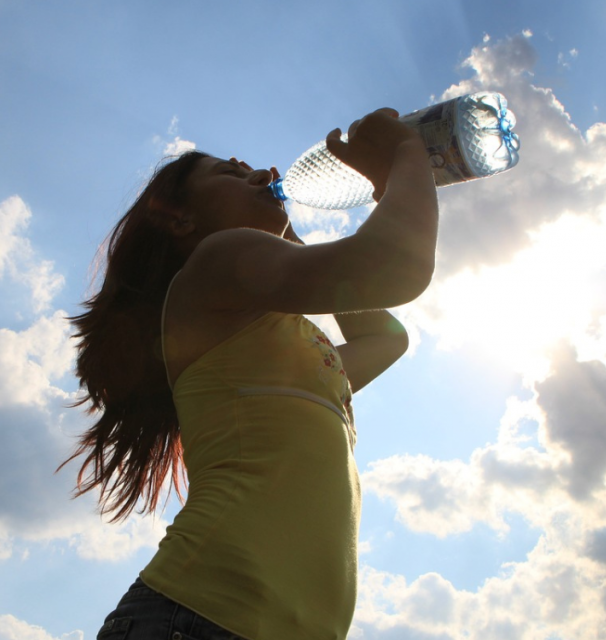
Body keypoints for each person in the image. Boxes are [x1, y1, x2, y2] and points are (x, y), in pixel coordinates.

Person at [64, 108, 439, 640]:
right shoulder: (216, 262)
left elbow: (388, 339)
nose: (261, 172)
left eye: (256, 172)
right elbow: (397, 268)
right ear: (180, 219)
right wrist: (407, 154)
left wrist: (300, 234)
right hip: (200, 616)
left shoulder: (291, 351)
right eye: (230, 174)